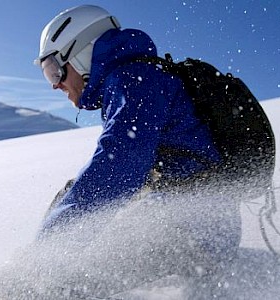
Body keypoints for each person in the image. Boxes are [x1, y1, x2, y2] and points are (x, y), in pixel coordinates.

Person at [34, 4, 241, 260]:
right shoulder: (134, 78)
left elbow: (120, 164)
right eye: (48, 75)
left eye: (54, 70)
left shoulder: (133, 79)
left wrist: (46, 258)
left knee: (70, 277)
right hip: (195, 220)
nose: (56, 85)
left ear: (79, 53)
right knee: (72, 194)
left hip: (196, 226)